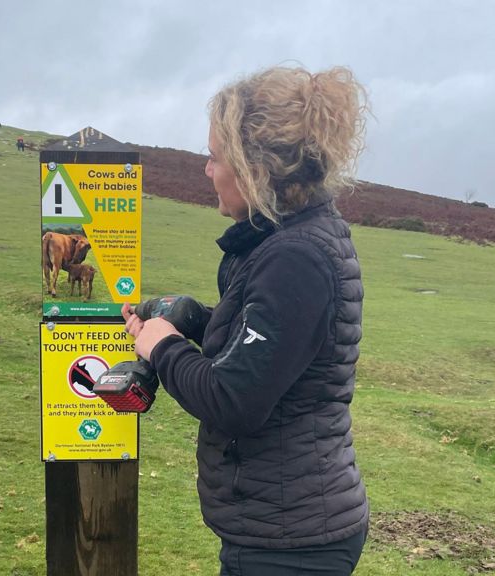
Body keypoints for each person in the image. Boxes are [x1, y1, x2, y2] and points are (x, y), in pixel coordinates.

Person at [123, 66, 369, 575]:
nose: (206, 170)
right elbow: (279, 349)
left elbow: (234, 399)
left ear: (255, 166)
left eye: (215, 157)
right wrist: (195, 321)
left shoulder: (295, 258)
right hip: (280, 528)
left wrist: (164, 347)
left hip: (291, 544)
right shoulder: (286, 242)